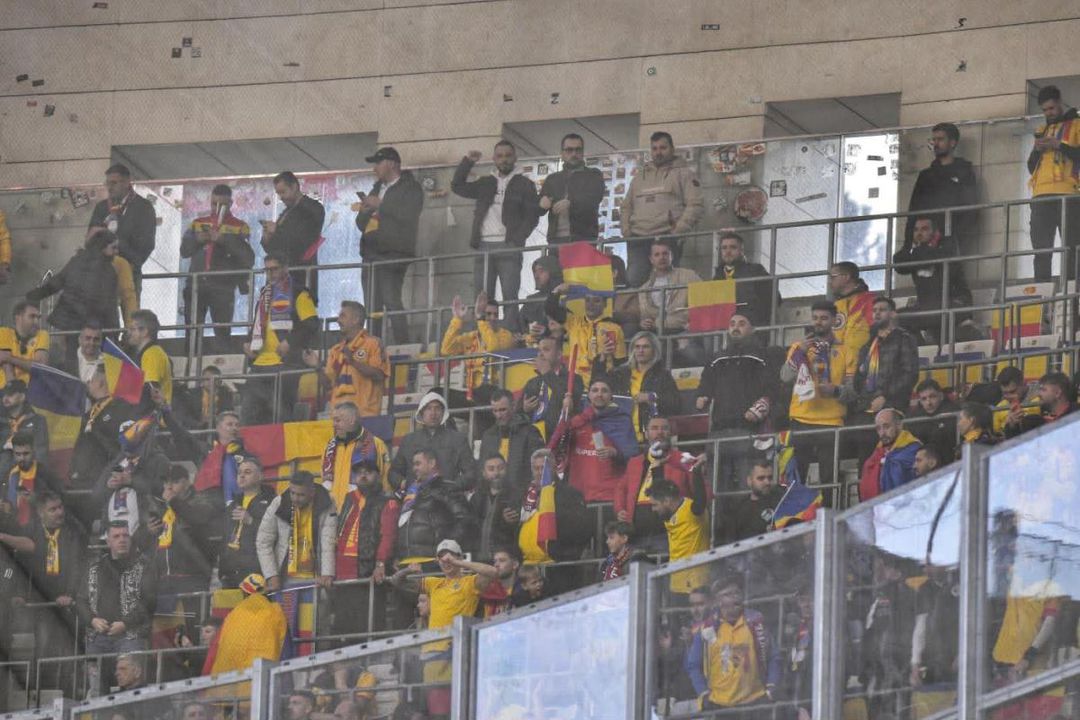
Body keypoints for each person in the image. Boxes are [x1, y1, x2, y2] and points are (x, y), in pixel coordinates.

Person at [452, 141, 540, 330]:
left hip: (509, 246)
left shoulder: (525, 184)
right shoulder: (485, 182)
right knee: (482, 298)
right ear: (493, 159)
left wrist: (517, 239)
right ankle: (482, 337)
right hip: (483, 246)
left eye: (508, 155)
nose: (504, 159)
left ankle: (509, 335)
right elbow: (457, 186)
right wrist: (468, 162)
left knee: (510, 296)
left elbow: (532, 216)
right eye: (500, 156)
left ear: (515, 157)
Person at [696, 313, 780, 489]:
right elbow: (706, 383)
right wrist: (702, 395)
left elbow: (772, 389)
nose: (735, 327)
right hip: (718, 430)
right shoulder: (716, 358)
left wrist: (759, 408)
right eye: (732, 323)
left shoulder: (762, 356)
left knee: (747, 486)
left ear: (752, 329)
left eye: (742, 324)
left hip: (748, 430)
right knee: (715, 490)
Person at [780, 301, 859, 485]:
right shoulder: (799, 347)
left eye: (824, 318)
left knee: (829, 478)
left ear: (834, 320)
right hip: (801, 419)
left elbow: (854, 390)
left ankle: (829, 505)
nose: (818, 322)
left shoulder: (846, 350)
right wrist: (799, 353)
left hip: (831, 422)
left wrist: (836, 390)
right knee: (795, 478)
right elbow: (785, 377)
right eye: (815, 318)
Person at [146, 465, 223, 644]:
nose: (169, 487)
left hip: (192, 578)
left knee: (194, 632)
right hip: (165, 580)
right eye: (166, 482)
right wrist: (148, 531)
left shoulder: (201, 500)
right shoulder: (162, 508)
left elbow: (197, 518)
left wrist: (173, 502)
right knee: (167, 636)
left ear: (187, 482)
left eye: (175, 482)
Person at [355, 147, 424, 344]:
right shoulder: (376, 188)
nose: (374, 168)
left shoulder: (410, 188)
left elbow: (408, 214)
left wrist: (381, 205)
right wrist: (365, 211)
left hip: (394, 252)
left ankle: (403, 344)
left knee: (391, 299)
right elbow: (360, 224)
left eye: (378, 163)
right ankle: (373, 345)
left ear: (392, 163)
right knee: (372, 306)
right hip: (370, 253)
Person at [242, 253, 319, 425]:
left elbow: (311, 324)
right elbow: (258, 325)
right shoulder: (264, 296)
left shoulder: (299, 293)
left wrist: (289, 342)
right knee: (248, 416)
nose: (270, 274)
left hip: (284, 364)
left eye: (274, 269)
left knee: (280, 414)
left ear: (285, 268)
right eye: (267, 270)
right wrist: (248, 342)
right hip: (259, 365)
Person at [18, 491, 84, 690]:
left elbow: (77, 567)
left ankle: (68, 691)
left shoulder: (73, 534)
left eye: (60, 507)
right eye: (52, 509)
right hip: (41, 603)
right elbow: (17, 567)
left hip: (67, 603)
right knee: (43, 647)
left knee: (67, 648)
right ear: (40, 513)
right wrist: (19, 594)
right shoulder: (30, 533)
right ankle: (39, 691)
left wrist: (70, 594)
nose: (59, 512)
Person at [622, 131, 705, 286]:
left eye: (663, 148)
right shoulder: (639, 177)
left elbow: (696, 205)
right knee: (634, 281)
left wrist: (677, 231)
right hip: (638, 238)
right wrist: (626, 231)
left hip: (667, 237)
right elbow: (626, 206)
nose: (658, 152)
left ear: (672, 149)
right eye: (654, 148)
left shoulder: (685, 174)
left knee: (668, 284)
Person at [687, 578, 781, 714]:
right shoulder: (707, 628)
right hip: (719, 705)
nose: (735, 598)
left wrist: (771, 686)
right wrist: (703, 693)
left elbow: (773, 656)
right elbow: (693, 665)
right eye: (729, 594)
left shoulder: (755, 622)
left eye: (737, 593)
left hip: (755, 702)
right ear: (718, 601)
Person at [332, 459, 400, 641]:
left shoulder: (387, 502)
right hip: (342, 572)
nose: (363, 476)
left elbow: (388, 535)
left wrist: (380, 563)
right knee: (342, 628)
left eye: (368, 472)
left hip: (368, 573)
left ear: (378, 476)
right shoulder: (349, 499)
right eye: (359, 472)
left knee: (367, 625)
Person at [180, 184, 255, 341]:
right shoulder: (198, 223)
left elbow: (248, 258)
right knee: (192, 333)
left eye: (223, 205)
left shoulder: (239, 226)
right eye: (214, 204)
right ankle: (192, 355)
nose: (217, 208)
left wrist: (223, 239)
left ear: (231, 203)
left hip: (223, 286)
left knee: (222, 334)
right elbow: (184, 251)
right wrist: (197, 239)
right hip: (196, 285)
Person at [548, 378, 640, 504]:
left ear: (611, 396)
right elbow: (555, 444)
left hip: (609, 495)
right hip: (578, 496)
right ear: (589, 395)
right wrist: (565, 413)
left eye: (604, 391)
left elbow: (633, 455)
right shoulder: (577, 421)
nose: (599, 394)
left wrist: (615, 452)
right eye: (595, 390)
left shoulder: (622, 421)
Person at [615, 417, 696, 553]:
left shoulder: (684, 458)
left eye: (664, 428)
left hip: (670, 533)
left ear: (670, 433)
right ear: (646, 434)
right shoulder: (634, 462)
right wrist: (620, 509)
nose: (659, 432)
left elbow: (701, 490)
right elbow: (620, 489)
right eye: (654, 428)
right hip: (636, 535)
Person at [25, 228, 123, 341]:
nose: (117, 251)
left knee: (71, 349)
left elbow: (58, 281)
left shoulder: (77, 261)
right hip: (92, 326)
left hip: (69, 322)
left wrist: (35, 294)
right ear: (103, 247)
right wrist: (114, 331)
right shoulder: (109, 271)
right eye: (113, 247)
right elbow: (109, 305)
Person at [515, 449, 591, 592]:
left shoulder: (570, 494)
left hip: (557, 567)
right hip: (527, 567)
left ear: (554, 468)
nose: (540, 472)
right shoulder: (527, 495)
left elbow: (581, 528)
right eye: (536, 468)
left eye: (543, 468)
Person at [76, 521, 157, 654]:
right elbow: (80, 600)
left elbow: (149, 601)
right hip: (97, 637)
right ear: (108, 542)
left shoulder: (143, 567)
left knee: (129, 667)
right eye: (116, 536)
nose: (122, 540)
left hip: (132, 636)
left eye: (125, 535)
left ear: (130, 540)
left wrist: (125, 624)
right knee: (93, 668)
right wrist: (92, 620)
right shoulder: (94, 568)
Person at [1027, 85, 1080, 281]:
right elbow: (1031, 167)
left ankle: (1073, 292)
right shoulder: (1042, 130)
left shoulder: (1076, 125)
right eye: (1045, 110)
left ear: (1060, 103)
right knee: (1041, 249)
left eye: (1051, 108)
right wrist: (1037, 150)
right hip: (1040, 195)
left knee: (1072, 248)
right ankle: (1042, 292)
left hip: (1070, 194)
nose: (1048, 113)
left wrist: (1058, 145)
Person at [893, 216, 974, 343]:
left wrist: (917, 251)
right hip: (928, 307)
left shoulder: (948, 244)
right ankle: (921, 348)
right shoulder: (916, 252)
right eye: (916, 230)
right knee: (895, 318)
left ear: (935, 232)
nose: (919, 233)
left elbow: (934, 257)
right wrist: (908, 243)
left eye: (924, 229)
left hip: (955, 304)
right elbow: (899, 265)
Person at [905, 122, 979, 254]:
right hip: (925, 241)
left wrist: (958, 238)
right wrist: (907, 245)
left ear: (952, 143)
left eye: (940, 139)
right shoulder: (925, 176)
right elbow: (913, 211)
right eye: (933, 140)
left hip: (952, 240)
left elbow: (970, 209)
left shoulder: (964, 172)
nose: (936, 144)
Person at [256, 471, 336, 593]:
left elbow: (328, 541)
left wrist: (327, 573)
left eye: (301, 495)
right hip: (283, 577)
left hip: (316, 578)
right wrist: (271, 575)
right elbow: (263, 541)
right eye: (292, 493)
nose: (295, 498)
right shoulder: (279, 503)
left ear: (312, 492)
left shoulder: (327, 503)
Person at [393, 449, 477, 564]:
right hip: (407, 562)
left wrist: (448, 548)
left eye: (418, 464)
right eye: (413, 465)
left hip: (434, 561)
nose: (414, 468)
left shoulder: (447, 488)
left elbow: (464, 520)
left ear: (432, 463)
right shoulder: (411, 492)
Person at [305, 301, 388, 417]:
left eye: (343, 316)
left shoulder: (373, 344)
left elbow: (379, 374)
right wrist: (317, 366)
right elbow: (328, 385)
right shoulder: (336, 350)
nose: (338, 320)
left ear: (356, 319)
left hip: (365, 417)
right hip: (339, 419)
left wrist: (353, 362)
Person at [594, 331, 679, 443]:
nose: (640, 350)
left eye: (645, 347)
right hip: (621, 436)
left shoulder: (663, 375)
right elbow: (597, 385)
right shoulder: (620, 373)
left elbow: (675, 404)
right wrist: (602, 359)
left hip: (649, 438)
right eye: (637, 347)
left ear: (654, 350)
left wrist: (651, 397)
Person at [850, 297, 919, 428]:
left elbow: (910, 375)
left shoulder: (904, 339)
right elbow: (858, 378)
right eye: (874, 310)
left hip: (892, 406)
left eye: (882, 310)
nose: (877, 313)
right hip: (866, 408)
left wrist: (885, 397)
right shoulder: (868, 344)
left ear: (893, 314)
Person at [88, 164, 156, 297]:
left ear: (126, 182)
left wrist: (133, 262)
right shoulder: (102, 207)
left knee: (130, 309)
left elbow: (147, 244)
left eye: (113, 183)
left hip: (130, 272)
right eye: (107, 183)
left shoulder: (143, 207)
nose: (109, 187)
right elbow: (90, 237)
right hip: (102, 273)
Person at [440, 292, 517, 411]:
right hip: (471, 395)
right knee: (437, 393)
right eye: (488, 314)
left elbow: (493, 348)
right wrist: (457, 319)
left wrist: (481, 319)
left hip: (496, 395)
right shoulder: (471, 337)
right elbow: (446, 350)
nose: (492, 318)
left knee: (484, 390)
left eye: (496, 315)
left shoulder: (506, 336)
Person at [389, 391, 477, 491]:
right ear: (422, 413)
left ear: (443, 412)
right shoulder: (409, 440)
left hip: (447, 497)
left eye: (437, 408)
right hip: (415, 496)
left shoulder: (457, 439)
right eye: (428, 408)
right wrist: (403, 483)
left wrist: (454, 486)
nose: (433, 413)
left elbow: (471, 472)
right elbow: (393, 473)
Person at [636, 239, 704, 364]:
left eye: (665, 253)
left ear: (671, 256)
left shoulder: (689, 276)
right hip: (656, 332)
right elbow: (644, 316)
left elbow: (705, 303)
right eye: (657, 254)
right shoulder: (643, 289)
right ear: (651, 259)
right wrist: (643, 323)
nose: (661, 257)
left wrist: (694, 324)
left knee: (690, 353)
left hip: (684, 329)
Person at [205, 572, 287, 676]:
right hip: (262, 674)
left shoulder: (235, 614)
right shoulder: (275, 611)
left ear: (245, 593)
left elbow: (220, 642)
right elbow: (283, 642)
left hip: (230, 677)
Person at [262, 171, 326, 299]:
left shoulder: (313, 208)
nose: (281, 197)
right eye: (278, 193)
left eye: (283, 192)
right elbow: (274, 247)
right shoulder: (286, 212)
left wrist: (277, 230)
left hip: (299, 275)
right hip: (279, 275)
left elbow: (302, 240)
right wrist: (267, 238)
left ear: (295, 187)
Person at [546, 284, 627, 386]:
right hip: (575, 382)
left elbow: (620, 361)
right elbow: (550, 309)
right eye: (587, 300)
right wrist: (557, 290)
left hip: (601, 382)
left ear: (605, 304)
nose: (591, 305)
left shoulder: (615, 328)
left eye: (596, 301)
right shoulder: (573, 322)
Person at [321, 401, 391, 511]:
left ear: (352, 420)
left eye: (338, 420)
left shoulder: (377, 445)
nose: (334, 424)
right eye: (333, 420)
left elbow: (386, 482)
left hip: (364, 512)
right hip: (333, 512)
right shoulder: (329, 448)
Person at [537, 133, 606, 244]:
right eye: (569, 150)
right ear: (562, 153)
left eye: (578, 150)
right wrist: (540, 203)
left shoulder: (593, 175)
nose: (574, 154)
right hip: (556, 240)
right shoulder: (552, 179)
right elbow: (539, 210)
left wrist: (571, 202)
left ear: (583, 152)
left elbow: (594, 197)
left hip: (584, 238)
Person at [648, 471, 708, 596]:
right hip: (675, 582)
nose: (653, 509)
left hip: (695, 584)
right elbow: (659, 483)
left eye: (655, 505)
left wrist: (696, 471)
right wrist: (658, 467)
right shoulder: (667, 514)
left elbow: (701, 498)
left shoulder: (693, 511)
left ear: (667, 501)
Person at [218, 456, 275, 588]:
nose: (242, 476)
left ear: (260, 476)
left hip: (257, 573)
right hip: (231, 574)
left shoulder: (272, 502)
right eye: (239, 473)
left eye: (247, 472)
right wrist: (222, 571)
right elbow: (225, 539)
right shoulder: (232, 505)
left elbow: (276, 535)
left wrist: (251, 521)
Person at [478, 390, 544, 498]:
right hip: (494, 497)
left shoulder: (530, 433)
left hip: (522, 496)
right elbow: (482, 470)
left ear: (513, 406)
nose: (498, 415)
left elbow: (539, 469)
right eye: (495, 411)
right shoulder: (488, 436)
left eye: (503, 410)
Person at [520, 335, 584, 441]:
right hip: (535, 440)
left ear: (559, 354)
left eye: (546, 350)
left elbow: (568, 401)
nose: (540, 354)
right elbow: (518, 415)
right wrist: (525, 410)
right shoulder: (532, 383)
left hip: (561, 439)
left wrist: (547, 373)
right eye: (539, 350)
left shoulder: (574, 379)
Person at [712, 232, 779, 329]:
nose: (728, 251)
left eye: (733, 247)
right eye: (724, 248)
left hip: (751, 325)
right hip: (724, 327)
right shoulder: (717, 277)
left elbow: (773, 297)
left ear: (741, 250)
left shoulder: (755, 270)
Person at [858, 409, 923, 502]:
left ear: (899, 425)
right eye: (878, 428)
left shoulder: (913, 448)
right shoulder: (879, 451)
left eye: (886, 427)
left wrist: (886, 463)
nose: (882, 433)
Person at [2, 430, 61, 529]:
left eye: (26, 454)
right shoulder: (10, 474)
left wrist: (36, 500)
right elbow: (8, 503)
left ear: (33, 451)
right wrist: (7, 507)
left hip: (40, 529)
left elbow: (60, 501)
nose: (22, 458)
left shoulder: (45, 474)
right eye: (18, 454)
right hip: (14, 528)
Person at [722, 459, 785, 544]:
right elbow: (731, 544)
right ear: (749, 481)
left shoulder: (781, 504)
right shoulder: (738, 509)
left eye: (770, 478)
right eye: (761, 478)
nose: (767, 482)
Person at [469, 455, 519, 561]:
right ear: (484, 473)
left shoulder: (516, 496)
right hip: (478, 560)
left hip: (504, 560)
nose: (496, 473)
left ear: (507, 470)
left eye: (500, 468)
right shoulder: (476, 498)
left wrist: (509, 523)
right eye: (491, 469)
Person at [1002, 371, 1077, 439]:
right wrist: (1012, 426)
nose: (1038, 394)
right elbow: (1018, 445)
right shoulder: (1034, 421)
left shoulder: (1076, 417)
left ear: (1057, 393)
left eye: (1043, 390)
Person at [0, 381, 49, 480]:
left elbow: (41, 452)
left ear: (22, 397)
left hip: (25, 475)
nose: (5, 398)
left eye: (11, 394)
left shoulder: (37, 420)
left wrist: (35, 478)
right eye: (3, 395)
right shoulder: (2, 422)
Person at [127, 309, 174, 409]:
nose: (128, 333)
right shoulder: (149, 353)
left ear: (144, 332)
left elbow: (150, 391)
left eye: (132, 329)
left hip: (154, 415)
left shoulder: (152, 354)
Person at [906, 379, 959, 465]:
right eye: (924, 399)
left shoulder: (954, 413)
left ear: (941, 396)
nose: (928, 402)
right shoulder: (913, 418)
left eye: (932, 397)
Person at [0, 301, 50, 390]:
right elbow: (7, 368)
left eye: (38, 318)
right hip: (7, 389)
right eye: (32, 317)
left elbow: (41, 367)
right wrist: (14, 391)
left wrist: (10, 358)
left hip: (32, 390)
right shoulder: (4, 332)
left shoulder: (42, 334)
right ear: (18, 318)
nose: (36, 321)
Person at [828, 261, 874, 352]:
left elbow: (878, 333)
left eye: (833, 277)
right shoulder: (835, 305)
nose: (829, 282)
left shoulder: (868, 300)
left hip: (861, 359)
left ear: (846, 277)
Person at [518, 256, 564, 344]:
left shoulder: (565, 297)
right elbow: (520, 326)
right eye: (535, 272)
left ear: (552, 271)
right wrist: (526, 335)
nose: (536, 276)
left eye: (541, 271)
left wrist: (547, 331)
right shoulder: (531, 300)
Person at [991, 366, 1041, 436]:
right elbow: (996, 434)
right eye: (1005, 393)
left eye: (1012, 392)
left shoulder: (1040, 398)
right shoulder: (999, 407)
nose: (1009, 396)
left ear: (1023, 384)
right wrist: (1008, 426)